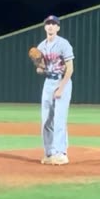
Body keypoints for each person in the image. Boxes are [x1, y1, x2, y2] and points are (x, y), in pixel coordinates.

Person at [35, 15, 75, 165]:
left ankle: (61, 153)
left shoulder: (64, 44)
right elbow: (41, 69)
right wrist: (40, 69)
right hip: (48, 83)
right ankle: (49, 153)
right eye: (48, 24)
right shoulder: (41, 47)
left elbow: (70, 69)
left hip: (61, 81)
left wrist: (61, 88)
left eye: (53, 24)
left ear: (58, 27)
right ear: (45, 27)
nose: (50, 26)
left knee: (59, 119)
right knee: (46, 120)